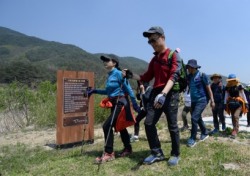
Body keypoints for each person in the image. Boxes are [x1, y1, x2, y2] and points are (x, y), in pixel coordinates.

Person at [123, 26, 181, 166]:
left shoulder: (173, 55)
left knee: (172, 125)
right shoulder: (154, 60)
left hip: (170, 93)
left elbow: (174, 75)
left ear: (163, 37)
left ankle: (175, 154)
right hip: (157, 94)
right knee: (149, 123)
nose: (152, 43)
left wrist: (163, 93)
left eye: (154, 40)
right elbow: (146, 76)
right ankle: (157, 152)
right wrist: (132, 75)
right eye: (149, 42)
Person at [88, 54, 140, 163]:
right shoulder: (110, 75)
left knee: (107, 126)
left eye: (107, 60)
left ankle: (109, 153)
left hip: (120, 103)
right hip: (113, 103)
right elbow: (109, 92)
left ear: (114, 63)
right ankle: (128, 148)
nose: (105, 62)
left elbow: (129, 89)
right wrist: (94, 91)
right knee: (119, 127)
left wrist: (135, 105)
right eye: (104, 61)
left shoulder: (119, 74)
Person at [186, 59, 215, 147]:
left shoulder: (202, 75)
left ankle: (192, 138)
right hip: (193, 100)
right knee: (197, 118)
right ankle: (205, 132)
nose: (188, 69)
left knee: (194, 118)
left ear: (193, 67)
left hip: (202, 100)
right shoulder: (189, 76)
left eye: (189, 67)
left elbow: (208, 88)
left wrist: (212, 101)